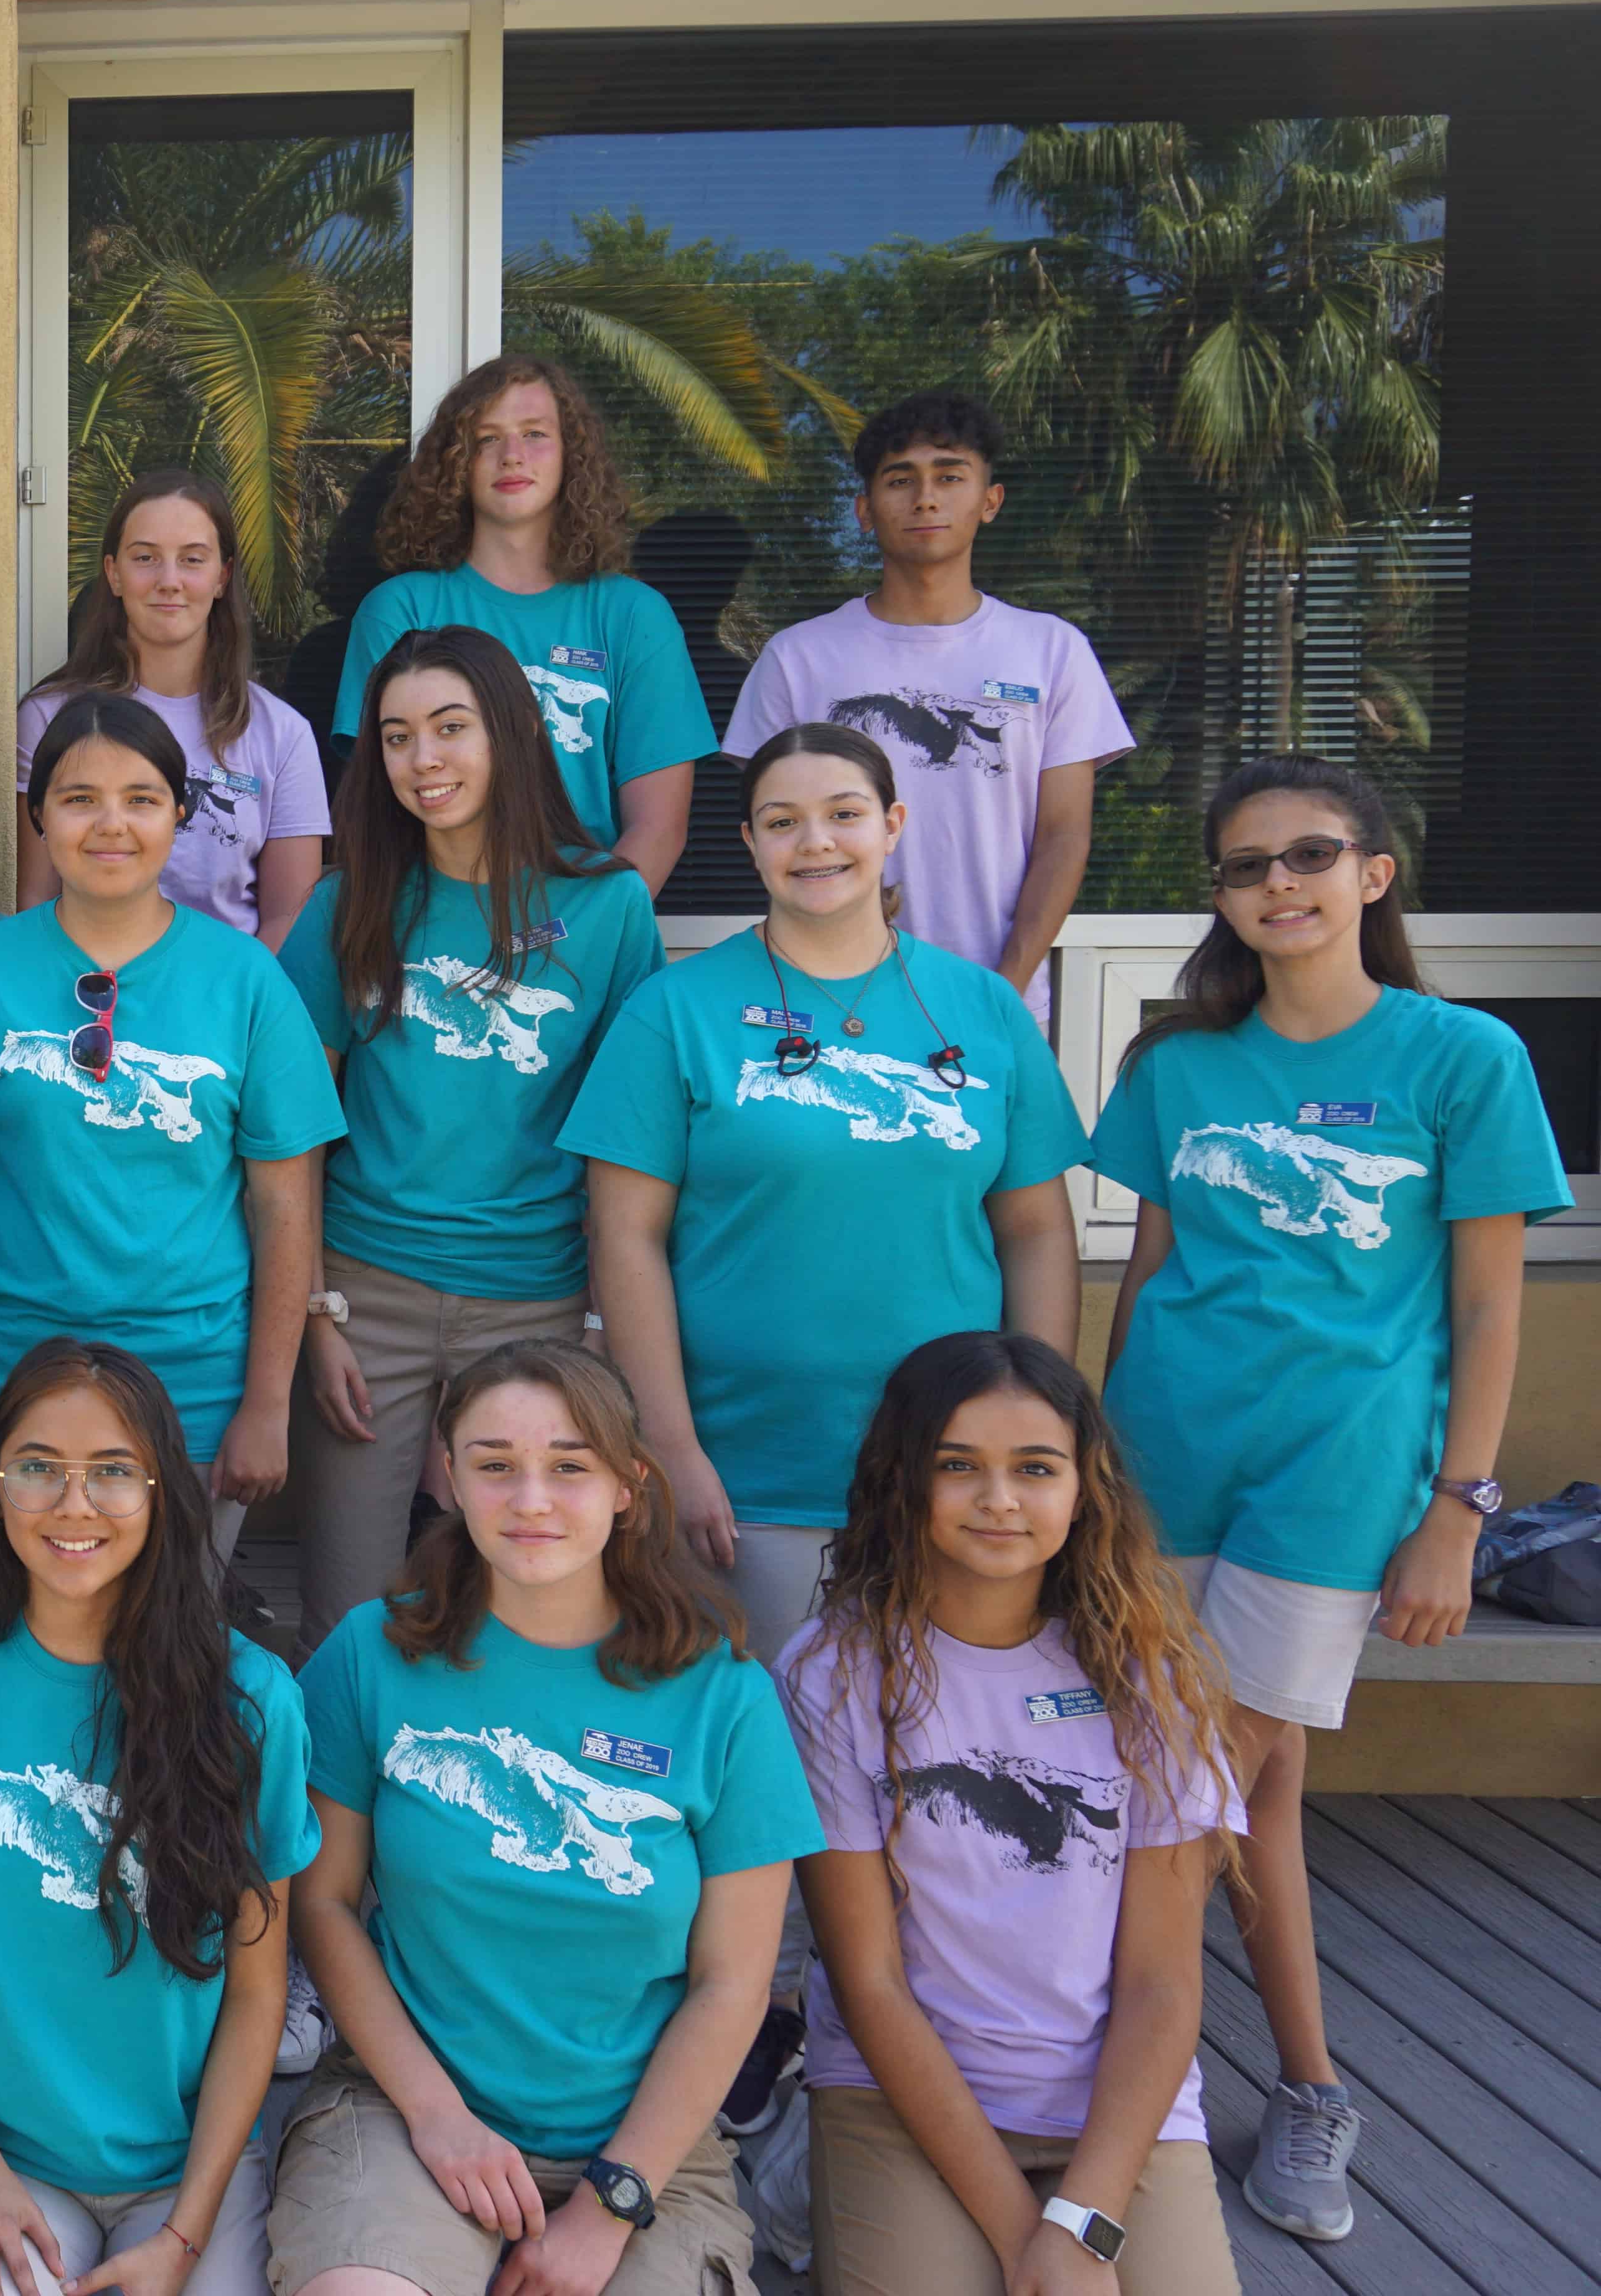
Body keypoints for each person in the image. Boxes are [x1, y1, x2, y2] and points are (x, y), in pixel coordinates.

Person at [1086, 752, 1568, 2242]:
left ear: (1373, 872)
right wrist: (1090, 1464)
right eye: (1244, 864)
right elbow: (1150, 1273)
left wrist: (1460, 1506)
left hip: (1341, 1470)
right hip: (1164, 1454)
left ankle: (1276, 2085)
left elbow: (1489, 1310)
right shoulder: (1177, 1062)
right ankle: (1243, 2073)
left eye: (1309, 854)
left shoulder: (1460, 1057)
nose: (1278, 883)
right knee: (1208, 1784)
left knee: (1218, 1782)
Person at [275, 1340, 815, 2296]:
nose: (530, 1500)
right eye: (495, 1466)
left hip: (649, 2144)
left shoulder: (722, 1696)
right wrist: (437, 2117)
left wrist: (611, 2204)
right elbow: (322, 1909)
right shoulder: (373, 1653)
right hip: (406, 2111)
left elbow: (732, 1985)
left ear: (627, 1486)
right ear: (447, 1476)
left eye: (569, 1467)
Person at [563, 723, 1084, 1653]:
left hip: (954, 1478)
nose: (816, 843)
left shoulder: (985, 1008)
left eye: (844, 815)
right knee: (767, 1761)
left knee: (925, 1749)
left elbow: (1037, 1231)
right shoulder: (675, 1010)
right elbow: (625, 1240)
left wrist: (1036, 1439)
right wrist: (672, 1451)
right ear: (751, 845)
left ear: (892, 825)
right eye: (782, 821)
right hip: (750, 1477)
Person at [775, 1332, 1246, 2296]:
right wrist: (1021, 2235)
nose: (1000, 1499)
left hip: (1118, 2111)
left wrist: (1079, 2225)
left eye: (1035, 1468)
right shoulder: (831, 1675)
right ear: (904, 1481)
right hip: (901, 2096)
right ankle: (815, 2176)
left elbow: (1162, 1984)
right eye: (959, 1467)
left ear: (1085, 1489)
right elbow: (867, 1980)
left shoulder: (1153, 1678)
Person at [0, 1341, 318, 2296]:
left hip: (190, 2169)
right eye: (39, 1469)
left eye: (113, 1472)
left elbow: (255, 1992)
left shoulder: (252, 1699)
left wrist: (186, 2237)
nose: (75, 1504)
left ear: (162, 1492)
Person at [275, 625, 662, 1646]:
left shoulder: (609, 904)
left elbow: (634, 1138)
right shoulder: (348, 901)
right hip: (367, 1294)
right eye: (396, 738)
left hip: (541, 1298)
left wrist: (595, 1329)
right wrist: (315, 1315)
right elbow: (290, 1133)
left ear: (514, 733)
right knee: (349, 1613)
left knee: (539, 1595)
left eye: (451, 728)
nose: (424, 760)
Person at [0, 694, 338, 1558]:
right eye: (78, 798)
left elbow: (284, 1206)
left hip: (197, 1383)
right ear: (40, 818)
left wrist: (267, 1403)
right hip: (15, 1373)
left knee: (175, 1650)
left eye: (140, 799)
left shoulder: (246, 981)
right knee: (21, 1638)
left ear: (180, 814)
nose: (111, 825)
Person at [724, 393, 1131, 1027]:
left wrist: (1006, 986)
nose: (925, 498)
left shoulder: (1051, 650)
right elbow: (775, 840)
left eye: (949, 475)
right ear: (863, 509)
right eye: (899, 480)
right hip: (829, 998)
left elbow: (1063, 836)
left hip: (1000, 999)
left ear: (989, 501)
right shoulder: (797, 659)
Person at [331, 356, 716, 892]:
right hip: (433, 924)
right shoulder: (400, 610)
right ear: (455, 464)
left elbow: (658, 826)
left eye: (534, 434)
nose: (512, 456)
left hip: (588, 927)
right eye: (486, 439)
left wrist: (589, 934)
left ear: (571, 457)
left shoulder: (633, 615)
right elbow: (374, 812)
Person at [19, 471, 329, 946]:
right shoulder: (47, 717)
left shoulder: (282, 733)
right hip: (82, 996)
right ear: (113, 574)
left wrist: (233, 1011)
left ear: (222, 576)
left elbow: (287, 920)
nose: (169, 581)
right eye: (146, 558)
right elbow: (36, 902)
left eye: (192, 560)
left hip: (225, 1005)